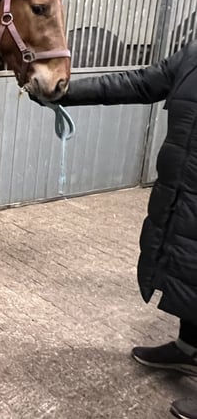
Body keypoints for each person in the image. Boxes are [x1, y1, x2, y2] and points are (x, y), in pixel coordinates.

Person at [32, 41, 197, 419]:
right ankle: (190, 349)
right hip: (182, 191)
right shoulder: (192, 56)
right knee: (186, 270)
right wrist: (63, 93)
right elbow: (139, 83)